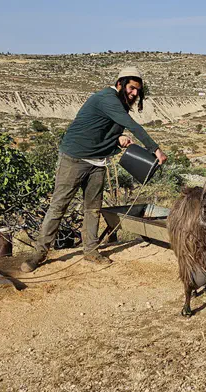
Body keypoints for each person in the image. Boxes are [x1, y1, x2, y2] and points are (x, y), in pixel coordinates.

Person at [21, 67, 167, 273]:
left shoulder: (119, 104)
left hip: (98, 162)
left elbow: (100, 129)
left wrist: (117, 139)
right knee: (58, 206)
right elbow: (132, 125)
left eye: (138, 91)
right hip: (74, 159)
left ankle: (90, 250)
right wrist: (155, 149)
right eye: (132, 88)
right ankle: (39, 254)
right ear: (120, 83)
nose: (135, 93)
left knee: (93, 208)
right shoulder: (107, 99)